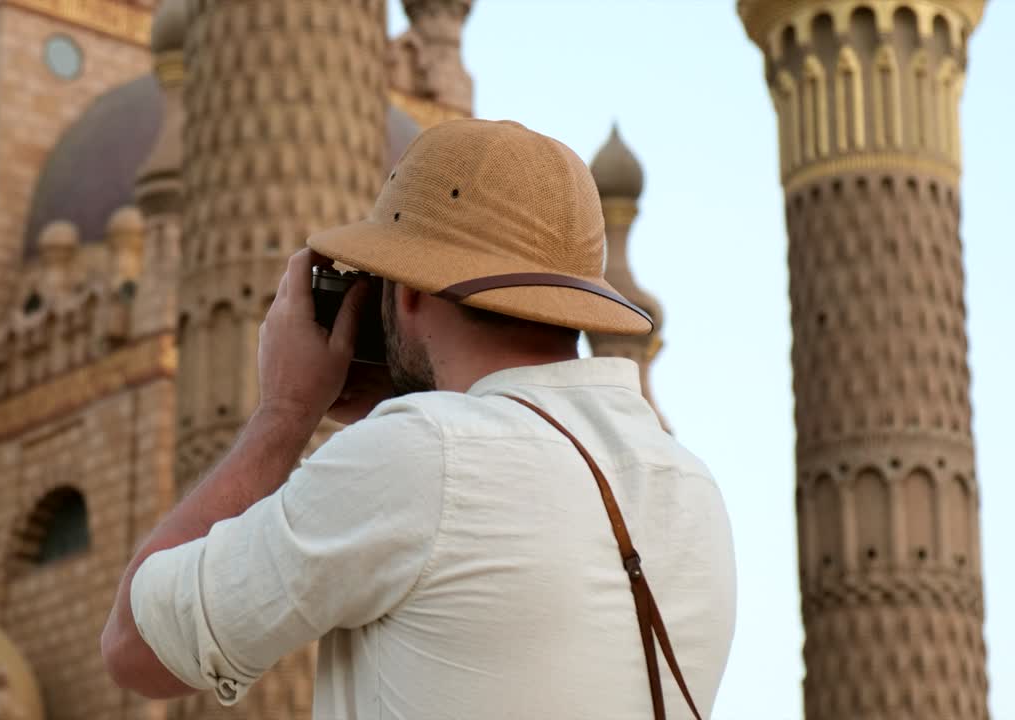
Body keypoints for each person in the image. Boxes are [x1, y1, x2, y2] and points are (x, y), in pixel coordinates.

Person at [100, 119, 736, 719]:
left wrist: (285, 414)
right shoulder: (689, 485)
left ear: (406, 290)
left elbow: (136, 646)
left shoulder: (422, 456)